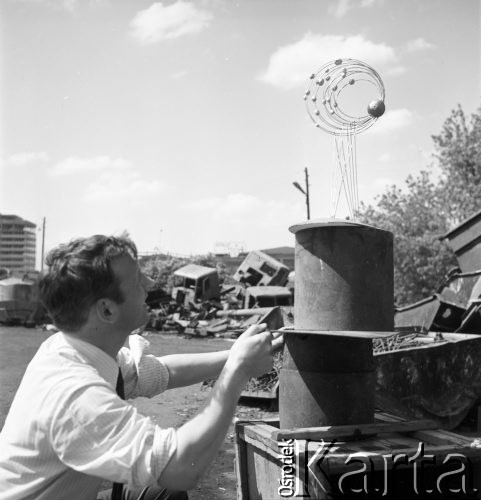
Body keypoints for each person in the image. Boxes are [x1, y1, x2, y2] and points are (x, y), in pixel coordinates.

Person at [0, 235, 283, 500]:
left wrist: (236, 354)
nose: (149, 283)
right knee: (167, 481)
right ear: (107, 310)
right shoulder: (73, 395)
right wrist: (237, 371)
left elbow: (163, 372)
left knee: (160, 491)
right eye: (137, 279)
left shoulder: (71, 347)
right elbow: (180, 467)